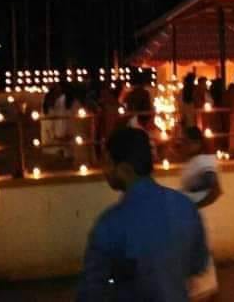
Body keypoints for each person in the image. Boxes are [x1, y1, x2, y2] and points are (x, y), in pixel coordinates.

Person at [76, 127, 209, 301]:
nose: (104, 170)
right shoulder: (185, 207)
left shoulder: (110, 225)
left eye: (107, 162)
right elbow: (198, 264)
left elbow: (91, 291)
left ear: (124, 169)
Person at [181, 127, 221, 301]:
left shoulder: (204, 162)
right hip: (192, 218)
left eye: (186, 142)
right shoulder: (195, 162)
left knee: (201, 262)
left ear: (196, 143)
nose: (182, 145)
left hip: (199, 217)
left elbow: (214, 189)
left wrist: (194, 207)